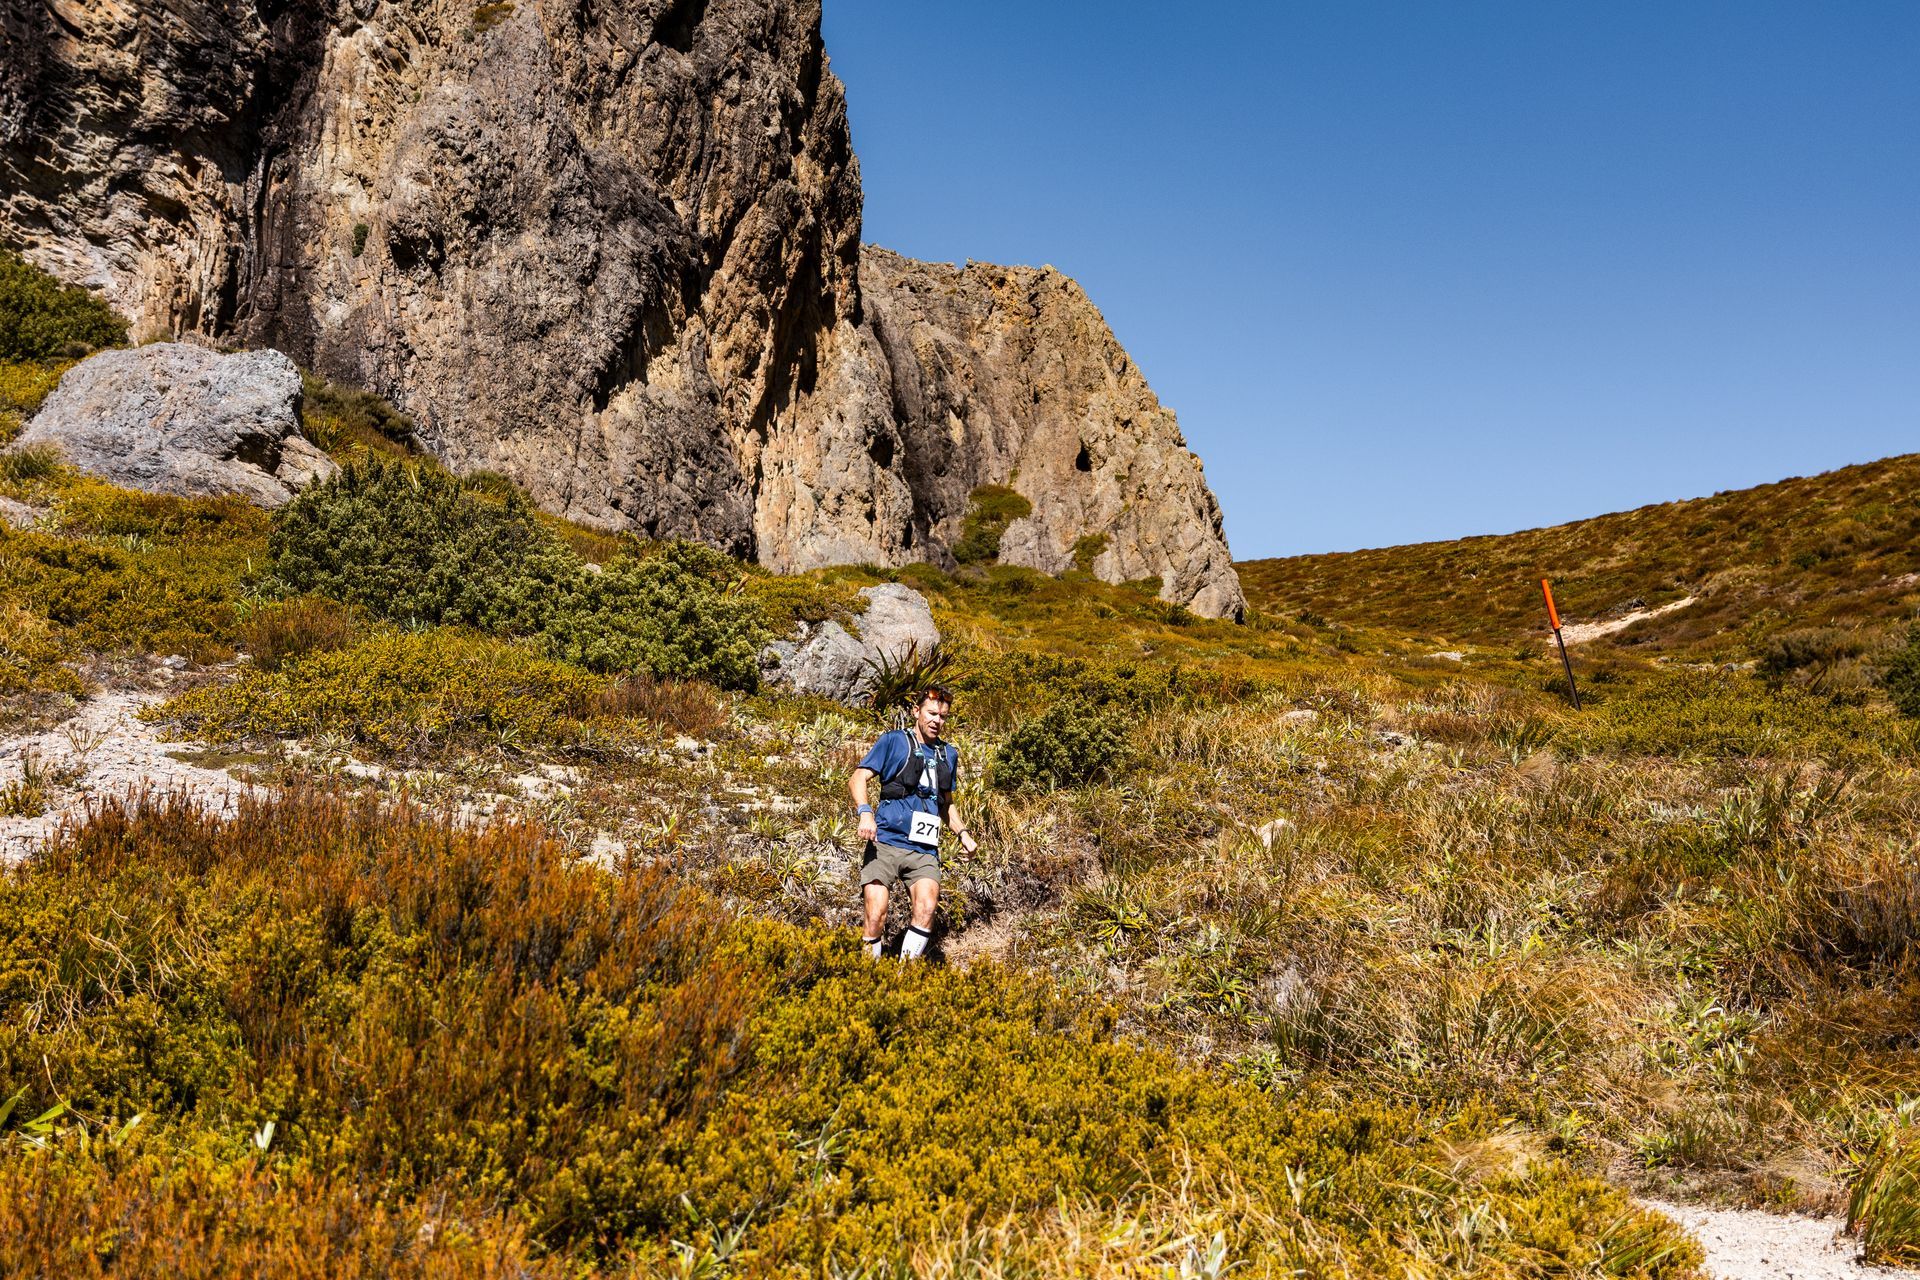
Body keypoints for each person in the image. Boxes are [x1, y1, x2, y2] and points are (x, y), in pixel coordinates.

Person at [847, 684, 979, 959]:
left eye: (942, 716)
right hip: (885, 841)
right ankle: (864, 974)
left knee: (927, 908)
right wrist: (866, 813)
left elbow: (946, 803)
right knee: (875, 915)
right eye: (931, 714)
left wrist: (963, 833)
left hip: (924, 848)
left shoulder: (948, 754)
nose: (937, 721)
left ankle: (902, 976)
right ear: (916, 711)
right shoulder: (894, 741)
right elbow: (858, 777)